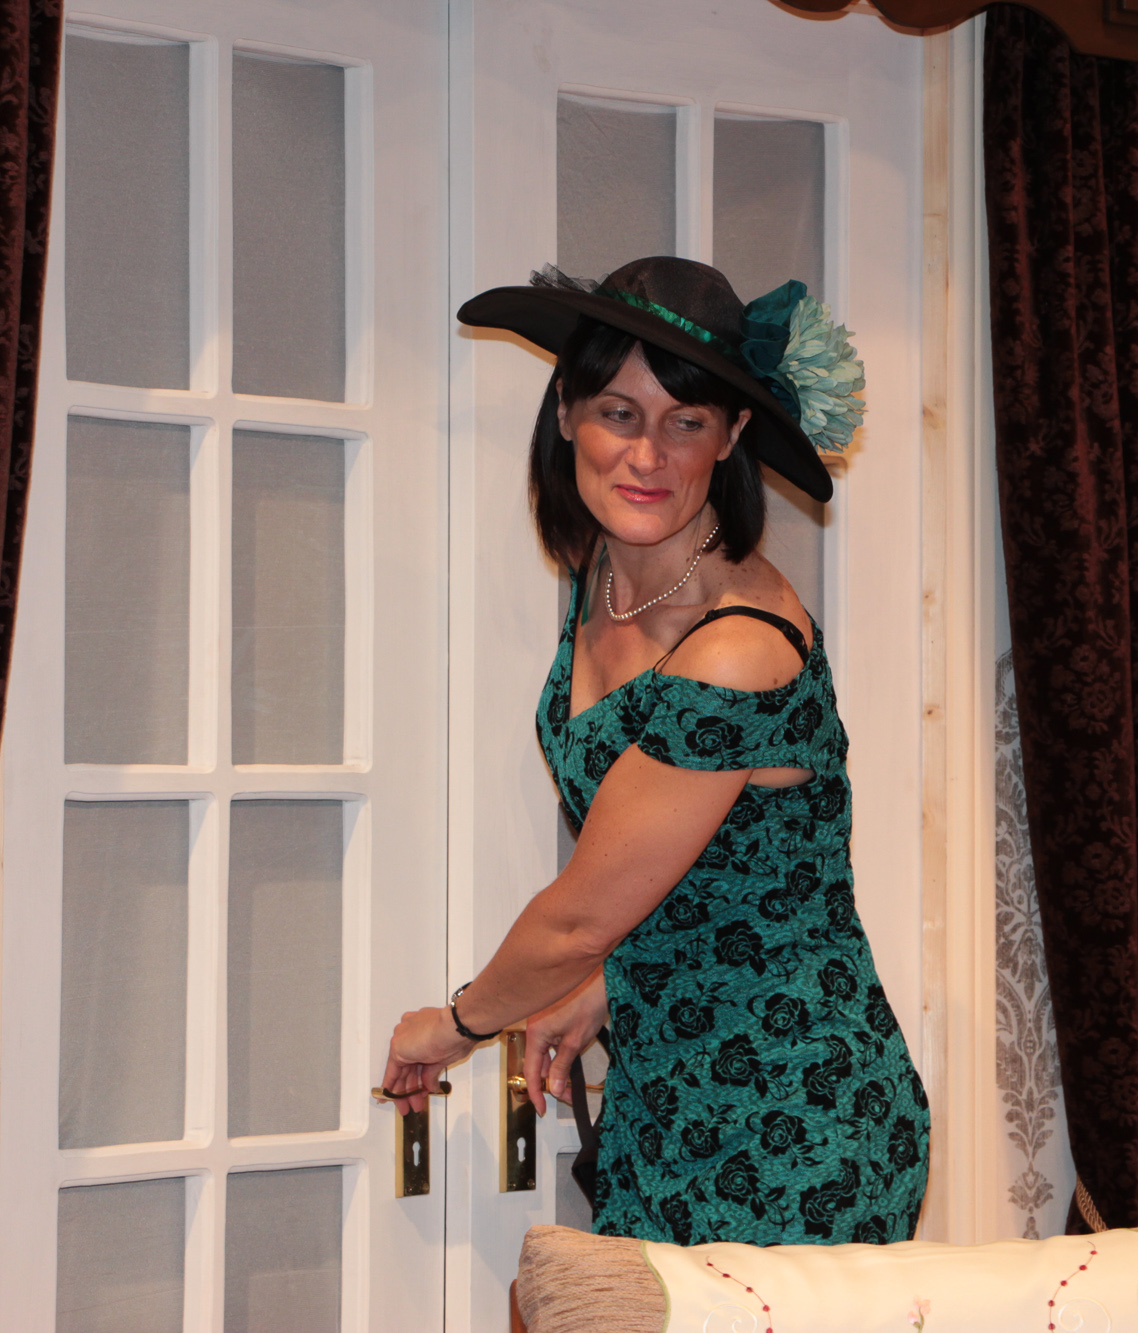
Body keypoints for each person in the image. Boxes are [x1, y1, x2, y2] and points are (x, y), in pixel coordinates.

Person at [379, 256, 929, 1246]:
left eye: (685, 422)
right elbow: (715, 868)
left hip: (797, 1119)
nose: (646, 455)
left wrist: (453, 1025)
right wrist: (607, 988)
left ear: (732, 436)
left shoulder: (736, 649)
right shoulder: (607, 574)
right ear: (565, 414)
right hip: (668, 1092)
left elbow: (579, 917)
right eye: (617, 413)